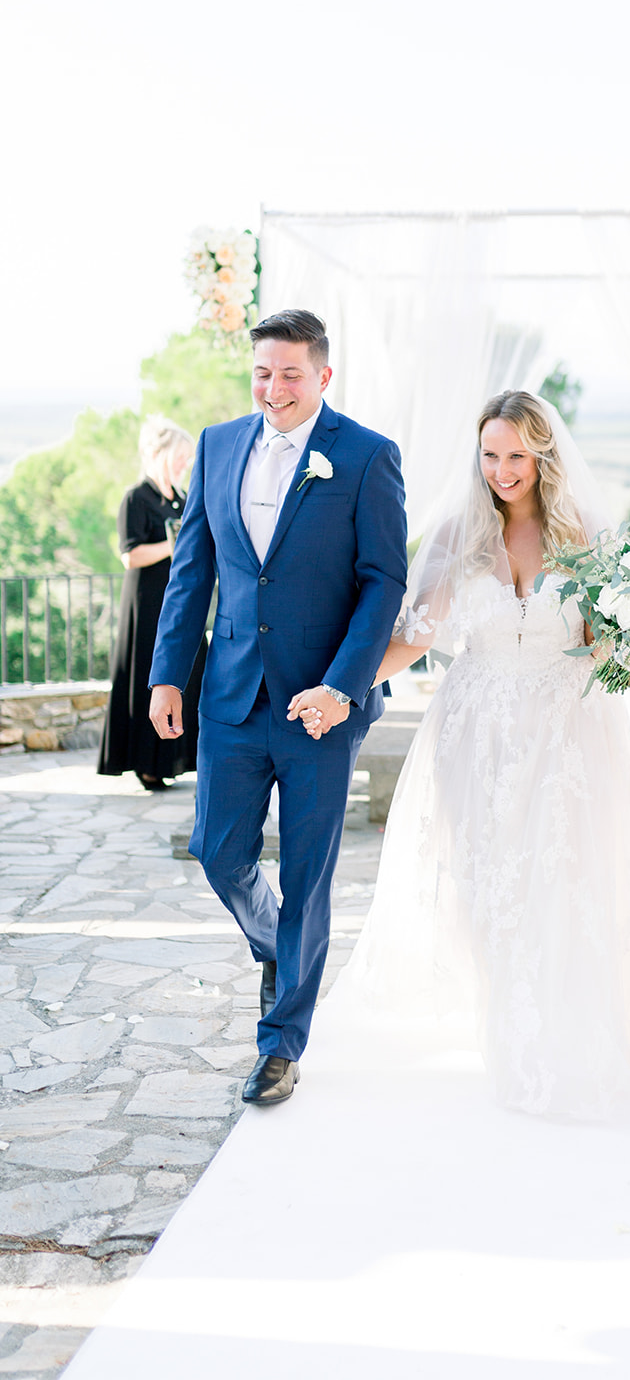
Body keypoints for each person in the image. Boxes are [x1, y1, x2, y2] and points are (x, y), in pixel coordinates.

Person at [353, 389, 630, 1120]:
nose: (502, 470)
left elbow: (609, 643)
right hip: (474, 731)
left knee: (559, 872)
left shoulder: (588, 537)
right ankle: (500, 1023)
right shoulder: (453, 535)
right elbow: (413, 639)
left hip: (565, 731)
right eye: (489, 455)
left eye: (516, 455)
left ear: (542, 456)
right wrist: (341, 690)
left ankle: (554, 1027)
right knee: (485, 876)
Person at [147, 309, 407, 1108]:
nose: (274, 388)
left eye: (291, 373)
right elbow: (193, 570)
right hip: (230, 695)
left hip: (319, 706)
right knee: (219, 851)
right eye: (263, 372)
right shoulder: (218, 445)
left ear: (323, 376)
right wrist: (166, 676)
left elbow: (382, 584)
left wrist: (342, 686)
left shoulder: (365, 456)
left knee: (307, 874)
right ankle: (276, 946)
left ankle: (281, 1044)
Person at [98, 416, 206, 790]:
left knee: (191, 674)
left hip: (179, 601)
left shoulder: (182, 498)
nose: (185, 464)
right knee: (151, 677)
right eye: (181, 456)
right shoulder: (136, 498)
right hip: (146, 603)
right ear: (160, 454)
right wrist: (173, 545)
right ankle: (147, 763)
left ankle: (181, 757)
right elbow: (129, 555)